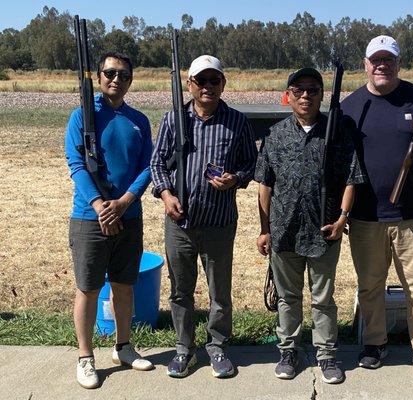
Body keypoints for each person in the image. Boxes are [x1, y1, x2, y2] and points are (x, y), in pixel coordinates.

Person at [340, 35, 413, 381]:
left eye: (388, 60)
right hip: (366, 214)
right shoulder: (349, 106)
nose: (381, 66)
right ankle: (375, 345)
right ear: (365, 64)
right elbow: (338, 164)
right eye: (375, 59)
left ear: (398, 64)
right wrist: (341, 211)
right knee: (370, 285)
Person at [255, 68, 365, 384]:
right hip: (284, 231)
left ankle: (327, 356)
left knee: (323, 299)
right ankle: (288, 351)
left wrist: (342, 219)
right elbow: (265, 185)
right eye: (299, 90)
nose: (306, 96)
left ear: (321, 94)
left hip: (323, 232)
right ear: (288, 95)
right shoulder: (275, 136)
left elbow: (350, 178)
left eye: (313, 90)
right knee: (288, 298)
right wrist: (265, 228)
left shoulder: (336, 132)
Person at [150, 55, 258, 379]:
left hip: (219, 223)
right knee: (180, 290)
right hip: (180, 223)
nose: (208, 86)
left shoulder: (237, 121)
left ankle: (218, 346)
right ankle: (184, 348)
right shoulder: (174, 120)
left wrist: (235, 179)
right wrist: (167, 195)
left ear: (223, 84)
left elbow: (251, 165)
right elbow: (156, 164)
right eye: (201, 80)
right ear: (190, 84)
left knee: (219, 291)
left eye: (214, 80)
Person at [65, 51, 154, 389]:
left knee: (123, 285)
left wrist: (126, 200)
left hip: (129, 216)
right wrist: (102, 206)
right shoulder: (81, 117)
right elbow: (77, 166)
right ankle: (85, 357)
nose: (117, 79)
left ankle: (123, 346)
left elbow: (148, 166)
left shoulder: (139, 120)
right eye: (110, 73)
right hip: (90, 218)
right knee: (88, 288)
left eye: (124, 75)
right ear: (99, 77)